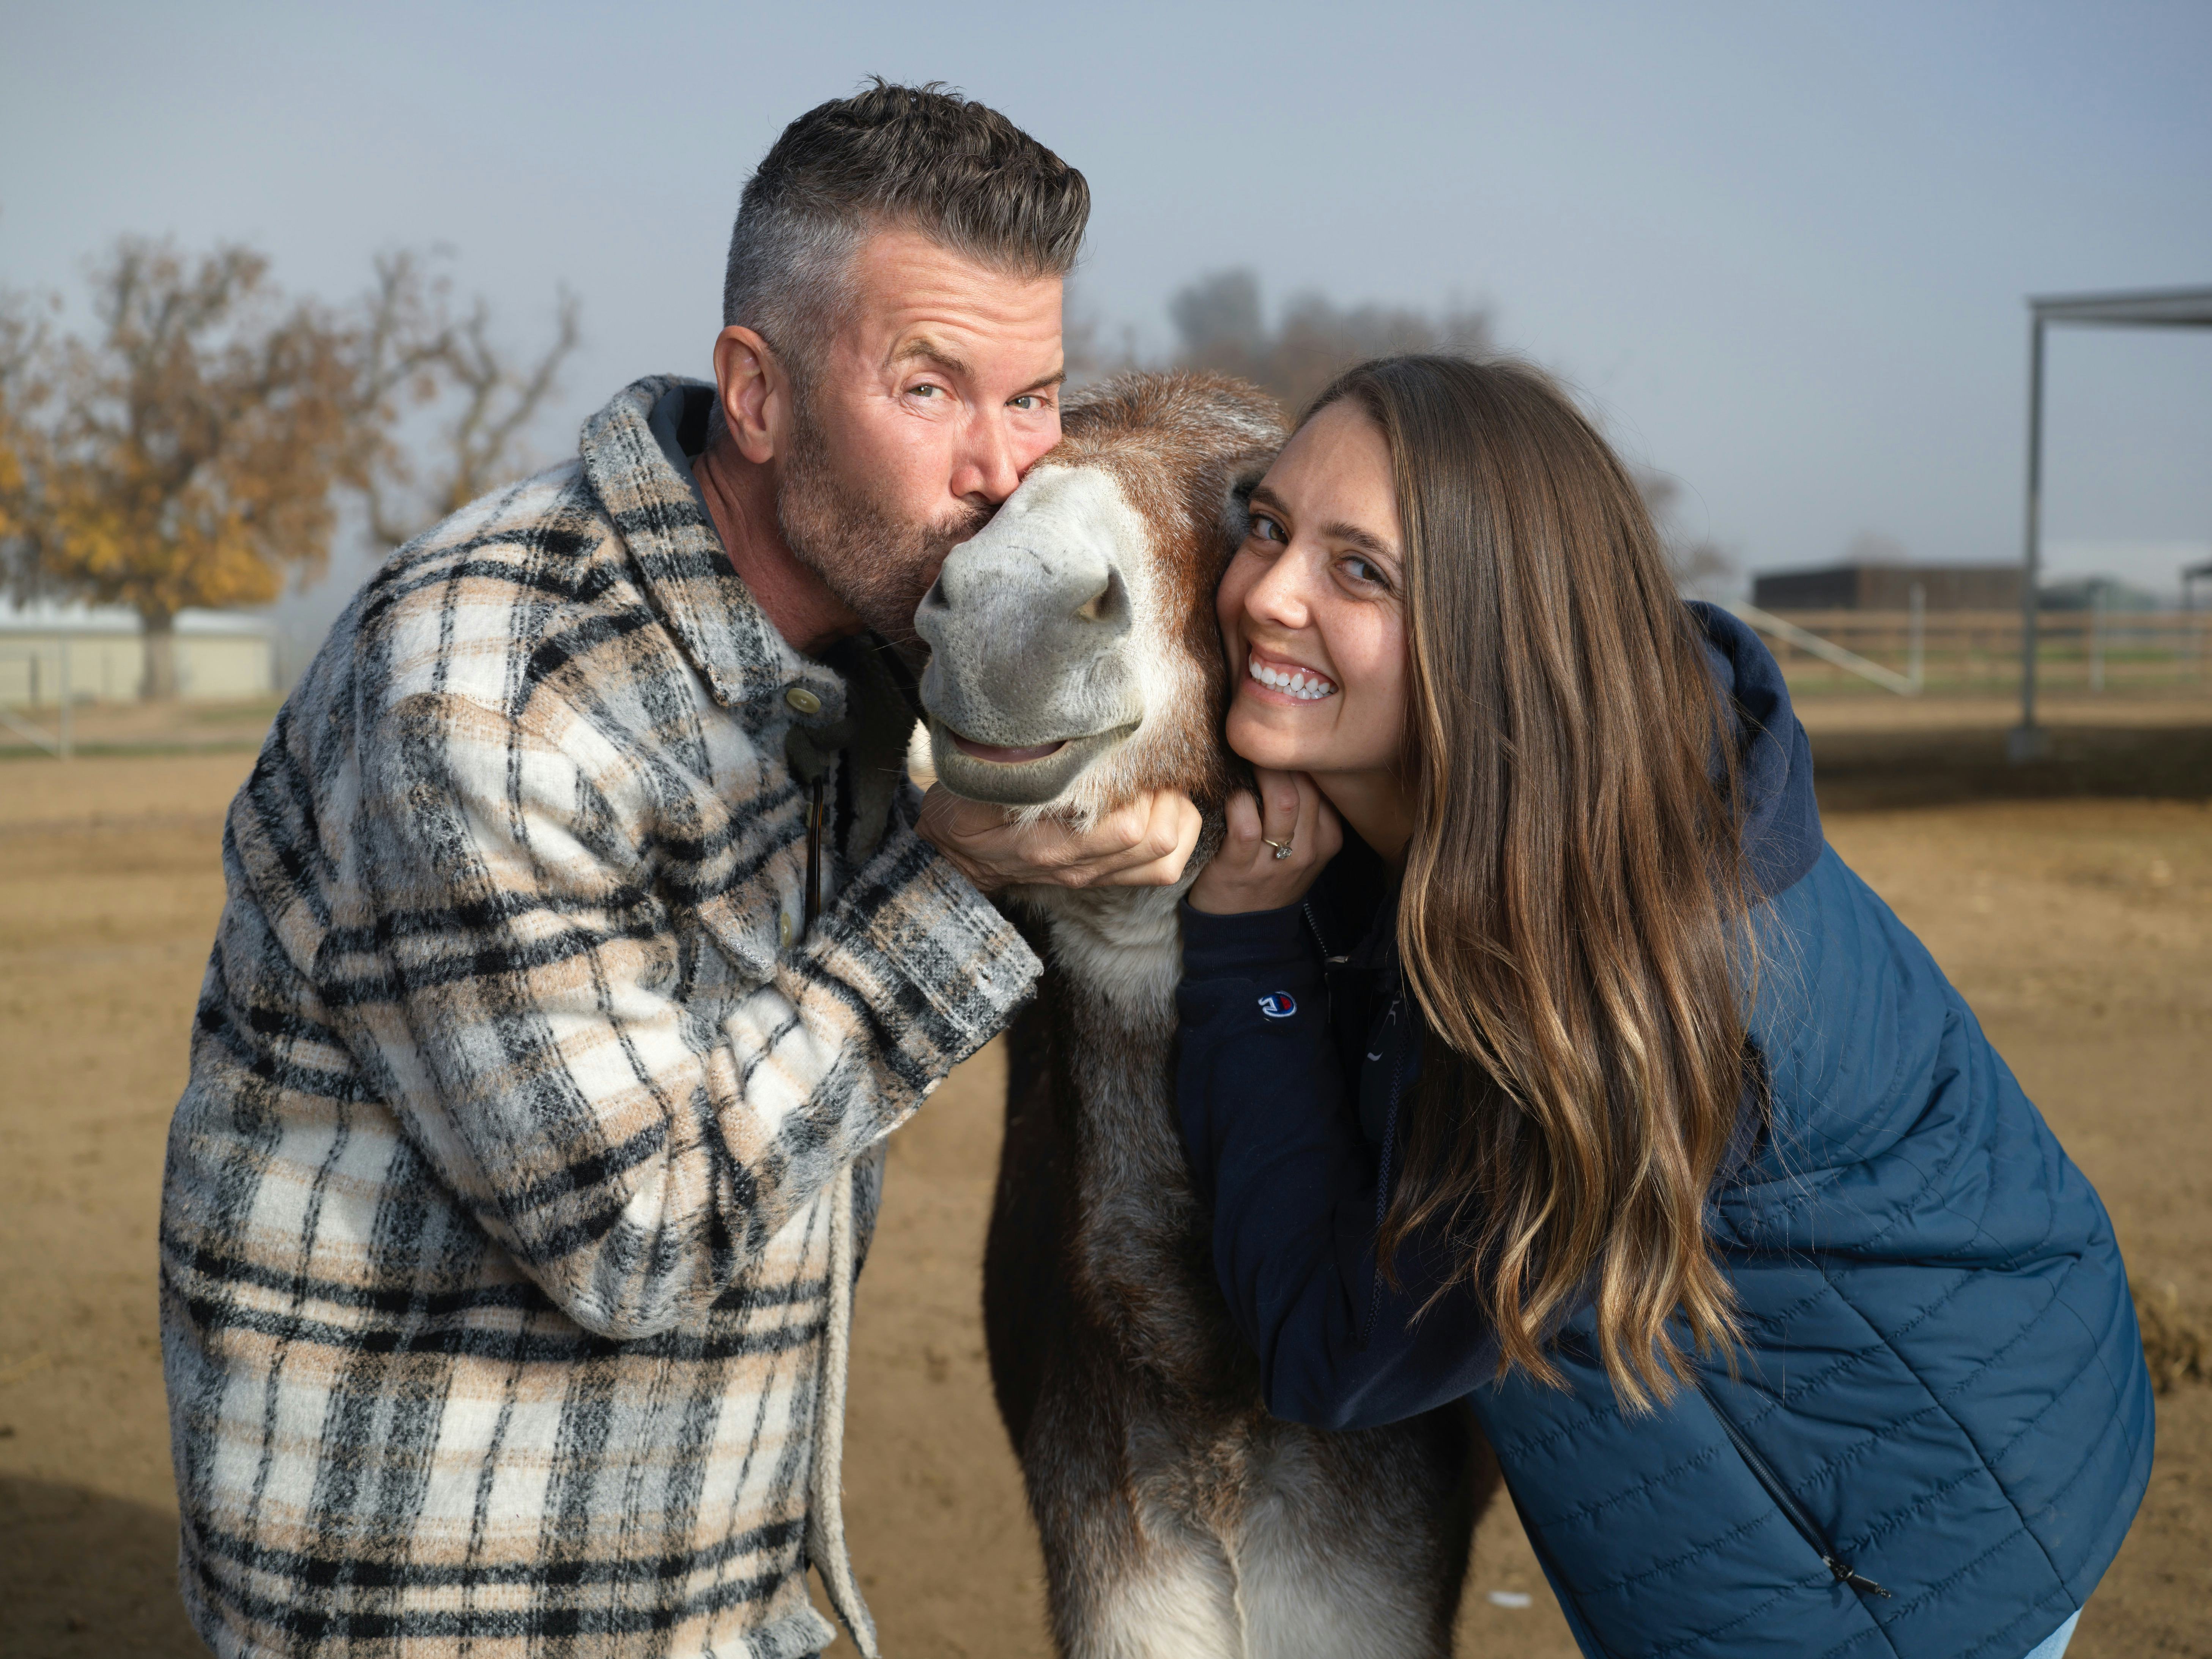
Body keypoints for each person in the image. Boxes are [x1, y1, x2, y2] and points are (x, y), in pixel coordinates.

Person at [160, 83, 1201, 1659]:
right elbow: (636, 1234)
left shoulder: (873, 649)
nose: (1004, 472)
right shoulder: (491, 688)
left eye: (1035, 395)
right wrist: (957, 879)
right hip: (451, 1605)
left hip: (716, 1593)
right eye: (929, 388)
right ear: (757, 396)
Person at [1174, 354, 2152, 1659]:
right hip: (1978, 1409)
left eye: (1362, 571)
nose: (1265, 593)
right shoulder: (1574, 780)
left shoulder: (1595, 985)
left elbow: (1334, 1344)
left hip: (1902, 1560)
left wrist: (1248, 950)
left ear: (1501, 632)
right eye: (1267, 526)